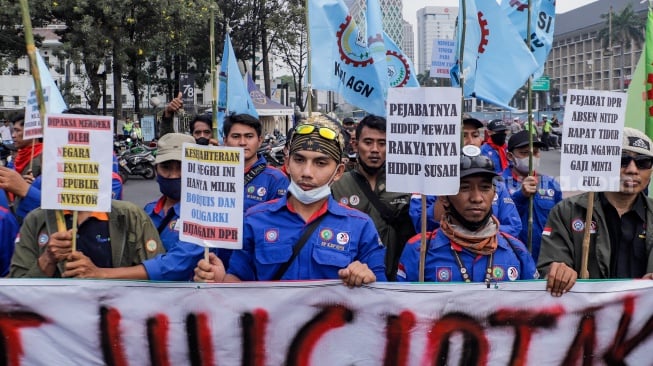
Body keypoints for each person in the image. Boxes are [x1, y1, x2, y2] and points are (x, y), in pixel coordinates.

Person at [193, 115, 386, 286]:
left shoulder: (360, 226)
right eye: (299, 160)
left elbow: (382, 294)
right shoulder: (254, 219)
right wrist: (220, 281)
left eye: (320, 163)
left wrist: (366, 277)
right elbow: (240, 282)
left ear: (339, 172)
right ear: (287, 163)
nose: (307, 173)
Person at [538, 127, 653, 297]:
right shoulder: (567, 212)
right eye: (622, 160)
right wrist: (558, 271)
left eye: (643, 163)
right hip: (585, 319)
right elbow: (549, 267)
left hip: (640, 321)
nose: (632, 170)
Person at [397, 145, 538, 283]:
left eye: (485, 188)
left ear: (494, 194)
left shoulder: (517, 250)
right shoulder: (419, 250)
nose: (476, 198)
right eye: (464, 188)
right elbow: (402, 304)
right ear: (444, 198)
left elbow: (536, 303)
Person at [331, 115, 414, 281]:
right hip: (349, 280)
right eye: (368, 142)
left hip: (395, 282)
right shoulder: (338, 184)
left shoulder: (406, 185)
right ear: (355, 145)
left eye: (382, 143)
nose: (375, 149)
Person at [408, 118, 522, 237]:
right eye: (463, 136)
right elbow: (422, 226)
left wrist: (480, 234)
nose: (471, 142)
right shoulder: (426, 182)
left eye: (475, 135)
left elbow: (513, 227)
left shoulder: (496, 182)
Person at [10, 198, 165, 278]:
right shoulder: (36, 220)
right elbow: (18, 290)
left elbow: (159, 276)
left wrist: (101, 274)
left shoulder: (130, 216)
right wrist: (48, 259)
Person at [502, 131, 562, 262]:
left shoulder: (551, 184)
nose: (531, 157)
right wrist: (520, 197)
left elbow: (560, 223)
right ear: (510, 156)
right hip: (512, 256)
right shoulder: (499, 185)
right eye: (524, 153)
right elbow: (498, 220)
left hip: (543, 257)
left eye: (535, 152)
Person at [221, 113, 289, 211]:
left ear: (260, 141)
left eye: (249, 136)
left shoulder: (276, 179)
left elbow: (281, 220)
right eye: (236, 136)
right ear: (225, 141)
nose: (242, 142)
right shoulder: (214, 175)